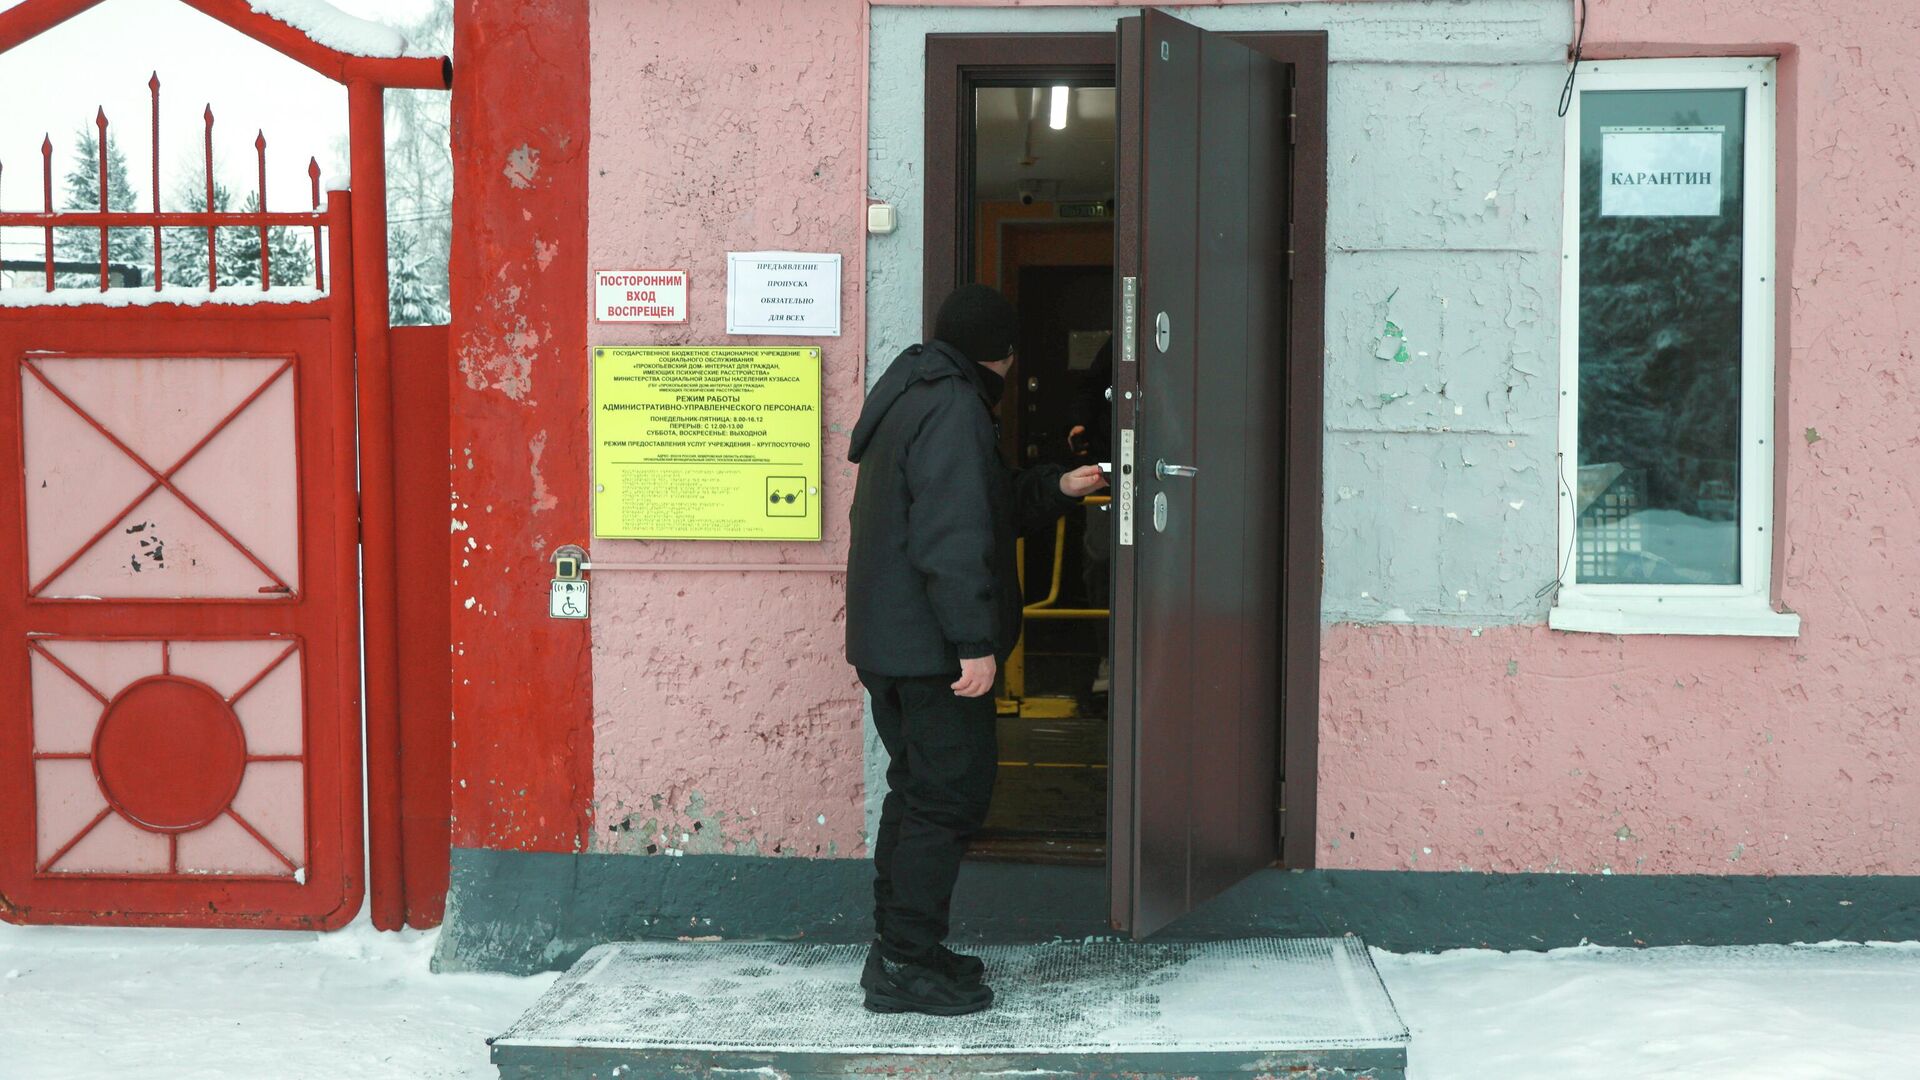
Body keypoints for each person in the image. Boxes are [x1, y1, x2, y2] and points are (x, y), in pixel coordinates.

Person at [845, 284, 1107, 1016]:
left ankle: (902, 949)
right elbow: (953, 537)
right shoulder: (957, 407)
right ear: (1002, 353)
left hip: (892, 643)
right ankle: (905, 962)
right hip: (933, 651)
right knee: (946, 800)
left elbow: (984, 506)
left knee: (917, 793)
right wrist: (973, 642)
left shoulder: (912, 393)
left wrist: (1058, 486)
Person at [1065, 338, 1115, 693]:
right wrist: (1080, 423)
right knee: (1101, 560)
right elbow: (1091, 386)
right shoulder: (1122, 339)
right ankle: (1109, 656)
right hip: (1110, 471)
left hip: (1171, 468)